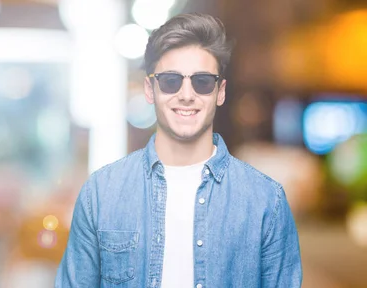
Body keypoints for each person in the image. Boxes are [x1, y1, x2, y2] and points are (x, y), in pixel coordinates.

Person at [55, 13, 302, 288]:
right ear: (150, 89)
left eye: (202, 82)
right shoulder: (100, 193)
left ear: (220, 92)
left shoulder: (266, 201)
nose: (186, 94)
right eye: (171, 81)